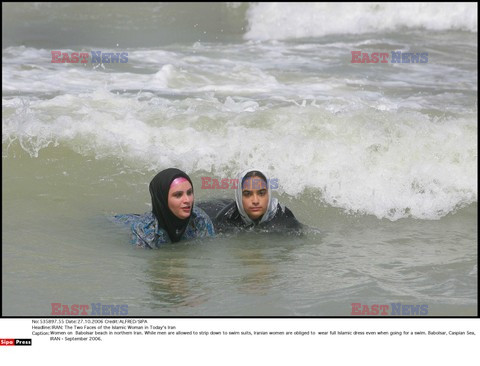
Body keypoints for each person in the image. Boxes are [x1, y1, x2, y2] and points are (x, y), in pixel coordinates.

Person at [114, 168, 215, 248]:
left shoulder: (200, 219)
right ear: (162, 200)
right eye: (178, 195)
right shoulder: (144, 232)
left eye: (189, 193)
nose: (187, 200)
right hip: (123, 222)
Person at [210, 169, 303, 233]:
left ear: (269, 194)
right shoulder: (227, 218)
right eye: (247, 194)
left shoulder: (284, 218)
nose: (255, 201)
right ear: (239, 196)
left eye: (261, 193)